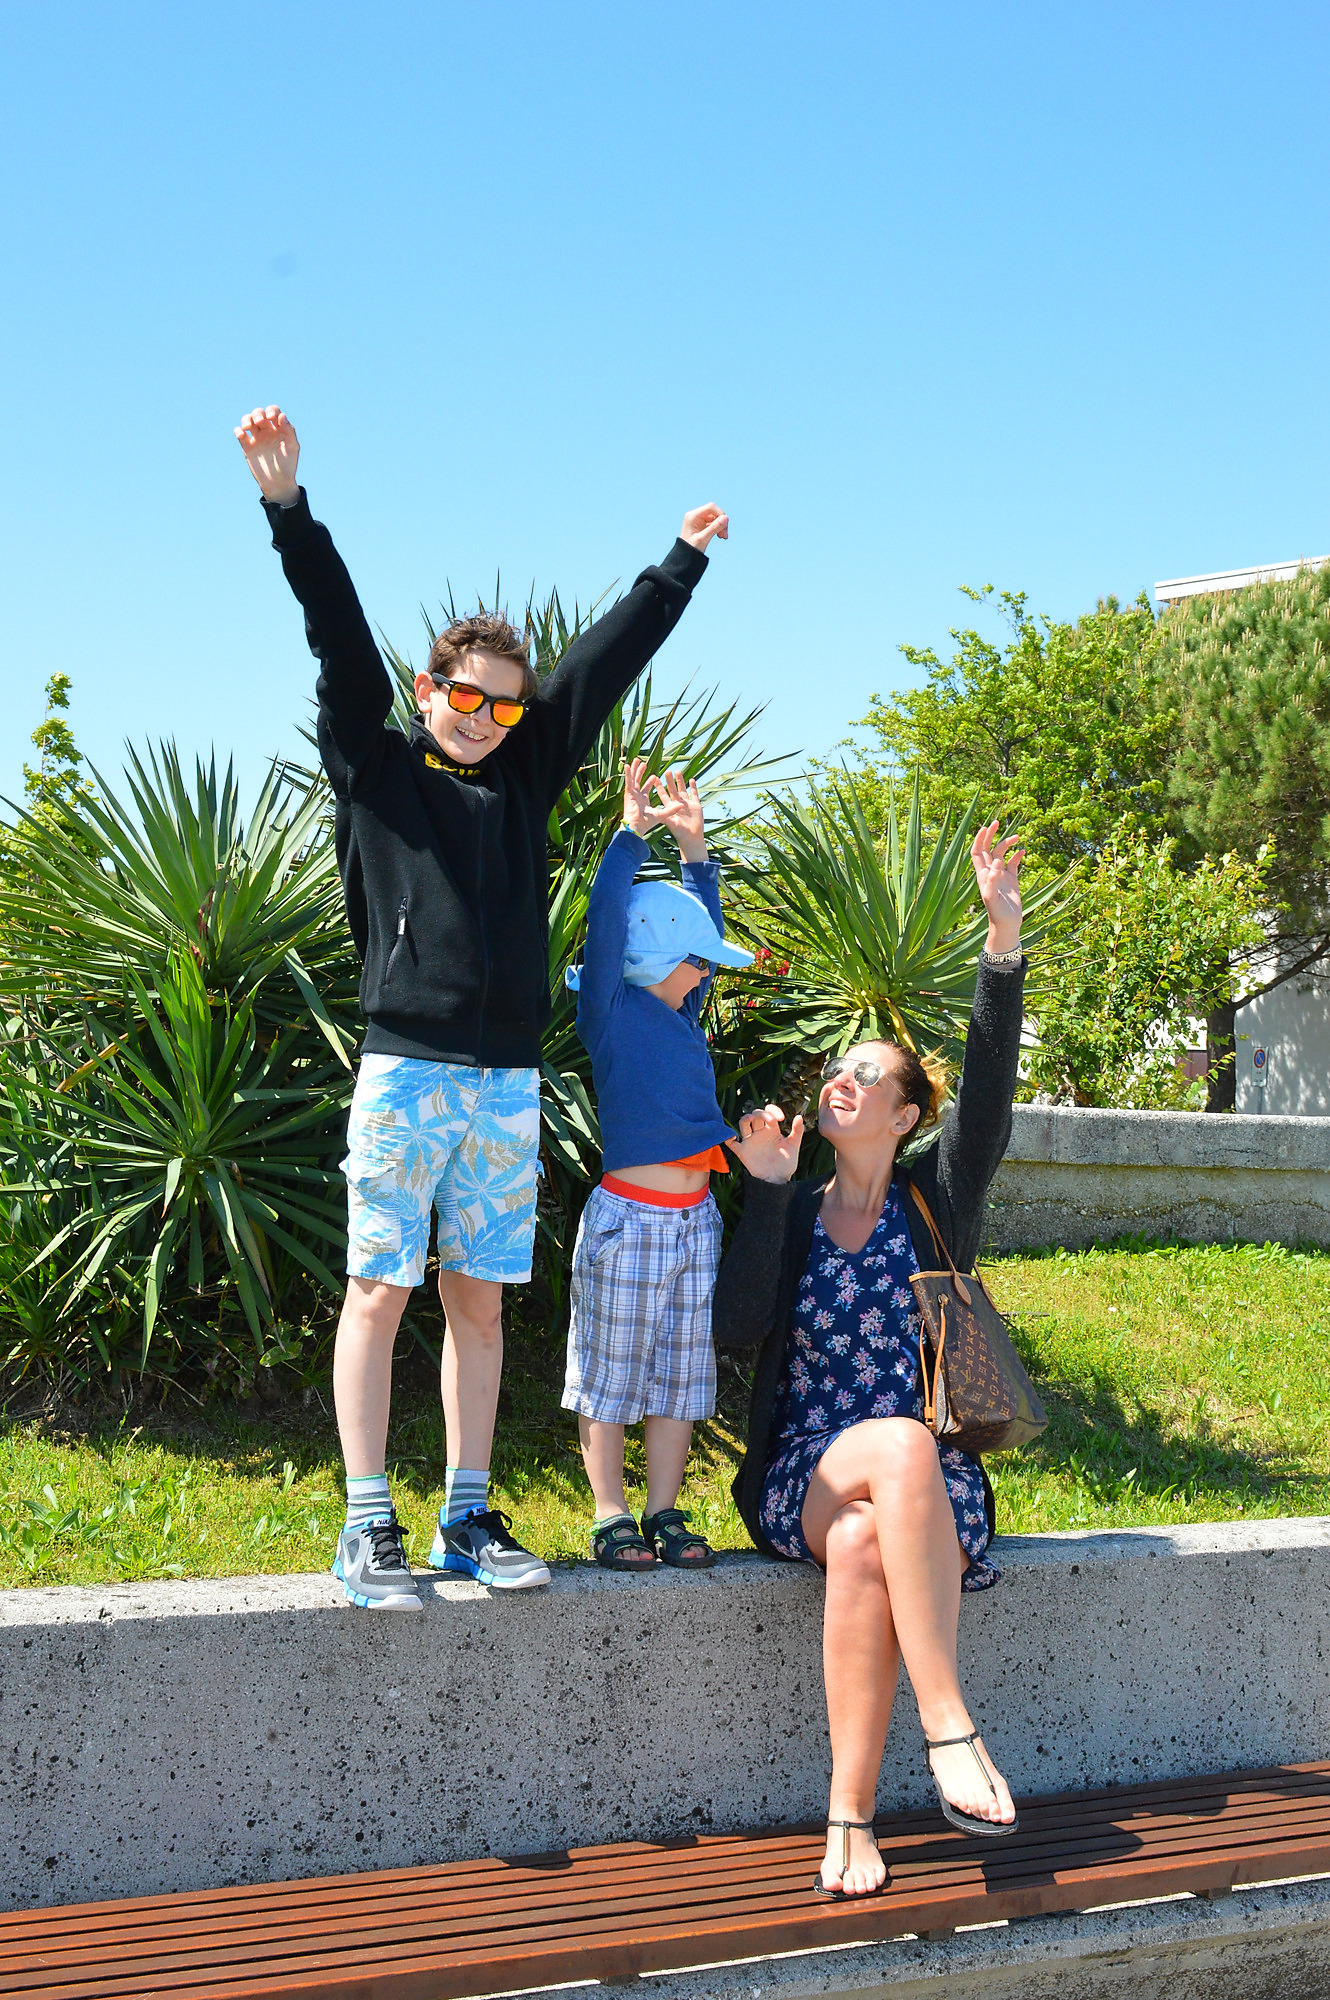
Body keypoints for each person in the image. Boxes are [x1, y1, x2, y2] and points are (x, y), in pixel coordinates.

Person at [234, 405, 728, 1608]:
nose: (485, 717)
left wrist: (677, 565)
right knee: (376, 1289)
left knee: (480, 1303)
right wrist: (289, 509)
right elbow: (335, 634)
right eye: (467, 696)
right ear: (429, 688)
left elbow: (600, 666)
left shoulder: (522, 775)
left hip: (506, 1079)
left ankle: (465, 1511)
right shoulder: (376, 765)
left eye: (506, 705)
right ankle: (366, 1521)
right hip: (407, 1067)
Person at [713, 821, 1026, 1895]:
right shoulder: (795, 1206)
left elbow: (987, 1095)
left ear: (903, 1116)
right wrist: (763, 1193)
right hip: (807, 1468)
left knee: (861, 1544)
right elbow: (738, 1329)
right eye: (837, 1071)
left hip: (928, 1492)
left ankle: (848, 1819)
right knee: (889, 1447)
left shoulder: (934, 1201)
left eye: (867, 1075)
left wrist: (1000, 942)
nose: (841, 1083)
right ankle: (948, 1723)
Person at [562, 759, 752, 1570]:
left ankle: (664, 1510)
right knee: (610, 1375)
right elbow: (609, 919)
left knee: (681, 1377)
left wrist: (696, 850)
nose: (707, 970)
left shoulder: (681, 1011)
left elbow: (701, 929)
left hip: (694, 1222)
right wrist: (630, 837)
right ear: (652, 958)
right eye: (697, 960)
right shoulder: (610, 1009)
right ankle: (611, 1512)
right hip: (631, 1222)